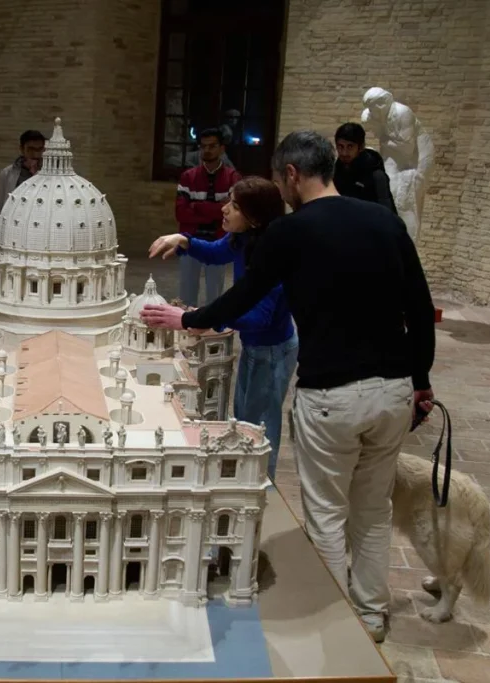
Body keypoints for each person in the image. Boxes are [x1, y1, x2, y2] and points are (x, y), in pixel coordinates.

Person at [141, 130, 436, 643]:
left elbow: (240, 300)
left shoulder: (290, 233)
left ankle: (336, 618)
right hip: (393, 391)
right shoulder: (385, 221)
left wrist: (186, 318)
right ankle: (370, 613)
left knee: (325, 511)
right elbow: (421, 309)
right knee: (372, 510)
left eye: (282, 180)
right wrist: (422, 382)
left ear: (293, 176)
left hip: (331, 396)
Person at [149, 176, 297, 481]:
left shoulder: (273, 255)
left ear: (255, 218)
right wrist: (184, 241)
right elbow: (216, 252)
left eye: (234, 206)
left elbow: (259, 317)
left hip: (271, 350)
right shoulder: (244, 239)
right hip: (258, 345)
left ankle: (258, 482)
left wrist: (202, 319)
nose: (224, 210)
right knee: (243, 416)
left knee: (258, 426)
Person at [176, 127, 242, 307]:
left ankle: (211, 331)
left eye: (212, 146)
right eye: (203, 146)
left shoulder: (232, 177)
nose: (207, 150)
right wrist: (216, 211)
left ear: (222, 148)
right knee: (186, 294)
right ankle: (186, 330)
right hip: (190, 240)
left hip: (218, 241)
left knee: (215, 294)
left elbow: (233, 213)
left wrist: (196, 206)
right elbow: (181, 213)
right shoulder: (188, 177)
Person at [0, 129, 46, 252]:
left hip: (41, 230)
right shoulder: (8, 173)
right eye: (31, 149)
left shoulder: (52, 174)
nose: (36, 154)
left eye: (39, 149)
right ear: (21, 149)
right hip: (15, 229)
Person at [333, 122, 397, 213]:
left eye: (350, 147)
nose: (344, 153)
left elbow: (388, 214)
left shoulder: (376, 175)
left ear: (361, 147)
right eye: (340, 147)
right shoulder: (334, 172)